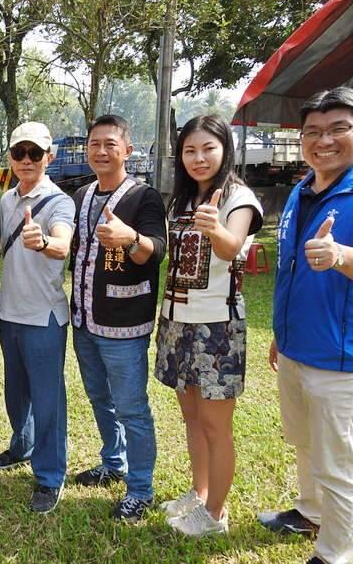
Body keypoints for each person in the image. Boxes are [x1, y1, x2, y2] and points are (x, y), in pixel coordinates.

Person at [154, 115, 263, 536]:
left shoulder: (238, 197)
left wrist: (215, 227)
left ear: (225, 149)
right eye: (189, 150)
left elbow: (232, 246)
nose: (198, 158)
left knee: (217, 425)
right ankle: (199, 494)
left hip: (217, 327)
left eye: (208, 149)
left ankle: (216, 514)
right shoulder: (181, 198)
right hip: (177, 321)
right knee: (193, 419)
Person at [261, 86, 353, 564]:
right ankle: (309, 511)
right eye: (313, 132)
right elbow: (290, 269)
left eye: (339, 129)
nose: (325, 141)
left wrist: (341, 256)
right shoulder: (302, 190)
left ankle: (337, 551)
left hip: (341, 357)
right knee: (303, 442)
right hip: (297, 345)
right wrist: (281, 332)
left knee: (339, 461)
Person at [70, 114, 166, 523]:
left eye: (111, 143)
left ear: (128, 150)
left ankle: (141, 489)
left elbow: (155, 251)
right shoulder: (81, 195)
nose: (102, 150)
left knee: (132, 407)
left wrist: (132, 239)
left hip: (124, 323)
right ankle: (114, 461)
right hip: (85, 318)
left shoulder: (144, 197)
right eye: (95, 143)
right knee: (99, 398)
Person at [0, 121, 75, 513]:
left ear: (49, 158)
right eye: (19, 153)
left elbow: (62, 243)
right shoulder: (6, 200)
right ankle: (21, 446)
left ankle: (49, 475)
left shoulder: (60, 202)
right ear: (10, 157)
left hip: (43, 317)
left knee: (47, 400)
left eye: (35, 154)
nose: (26, 160)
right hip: (9, 313)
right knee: (16, 392)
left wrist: (44, 242)